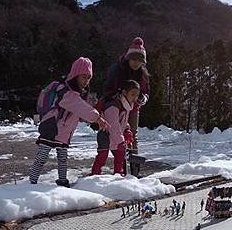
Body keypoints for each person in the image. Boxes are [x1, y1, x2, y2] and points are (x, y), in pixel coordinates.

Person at [30, 57, 109, 186]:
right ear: (75, 75)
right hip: (52, 127)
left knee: (62, 158)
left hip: (64, 131)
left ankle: (62, 180)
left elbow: (81, 110)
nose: (86, 81)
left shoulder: (78, 93)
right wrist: (97, 118)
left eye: (89, 78)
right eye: (84, 77)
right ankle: (32, 182)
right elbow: (81, 107)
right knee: (42, 156)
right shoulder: (65, 91)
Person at [102, 37, 150, 155]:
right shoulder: (117, 69)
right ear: (128, 58)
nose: (136, 63)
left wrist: (142, 98)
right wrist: (119, 97)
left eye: (139, 61)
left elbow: (146, 91)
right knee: (115, 132)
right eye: (133, 59)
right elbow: (107, 88)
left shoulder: (142, 73)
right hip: (116, 107)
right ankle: (117, 158)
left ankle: (134, 164)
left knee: (133, 133)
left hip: (133, 107)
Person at [91, 80, 140, 175]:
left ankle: (118, 174)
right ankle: (95, 174)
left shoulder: (127, 105)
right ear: (125, 93)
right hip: (105, 133)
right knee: (102, 155)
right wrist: (121, 141)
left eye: (137, 95)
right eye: (133, 94)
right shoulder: (113, 106)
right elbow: (113, 125)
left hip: (117, 136)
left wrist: (127, 130)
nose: (135, 98)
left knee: (120, 155)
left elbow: (123, 121)